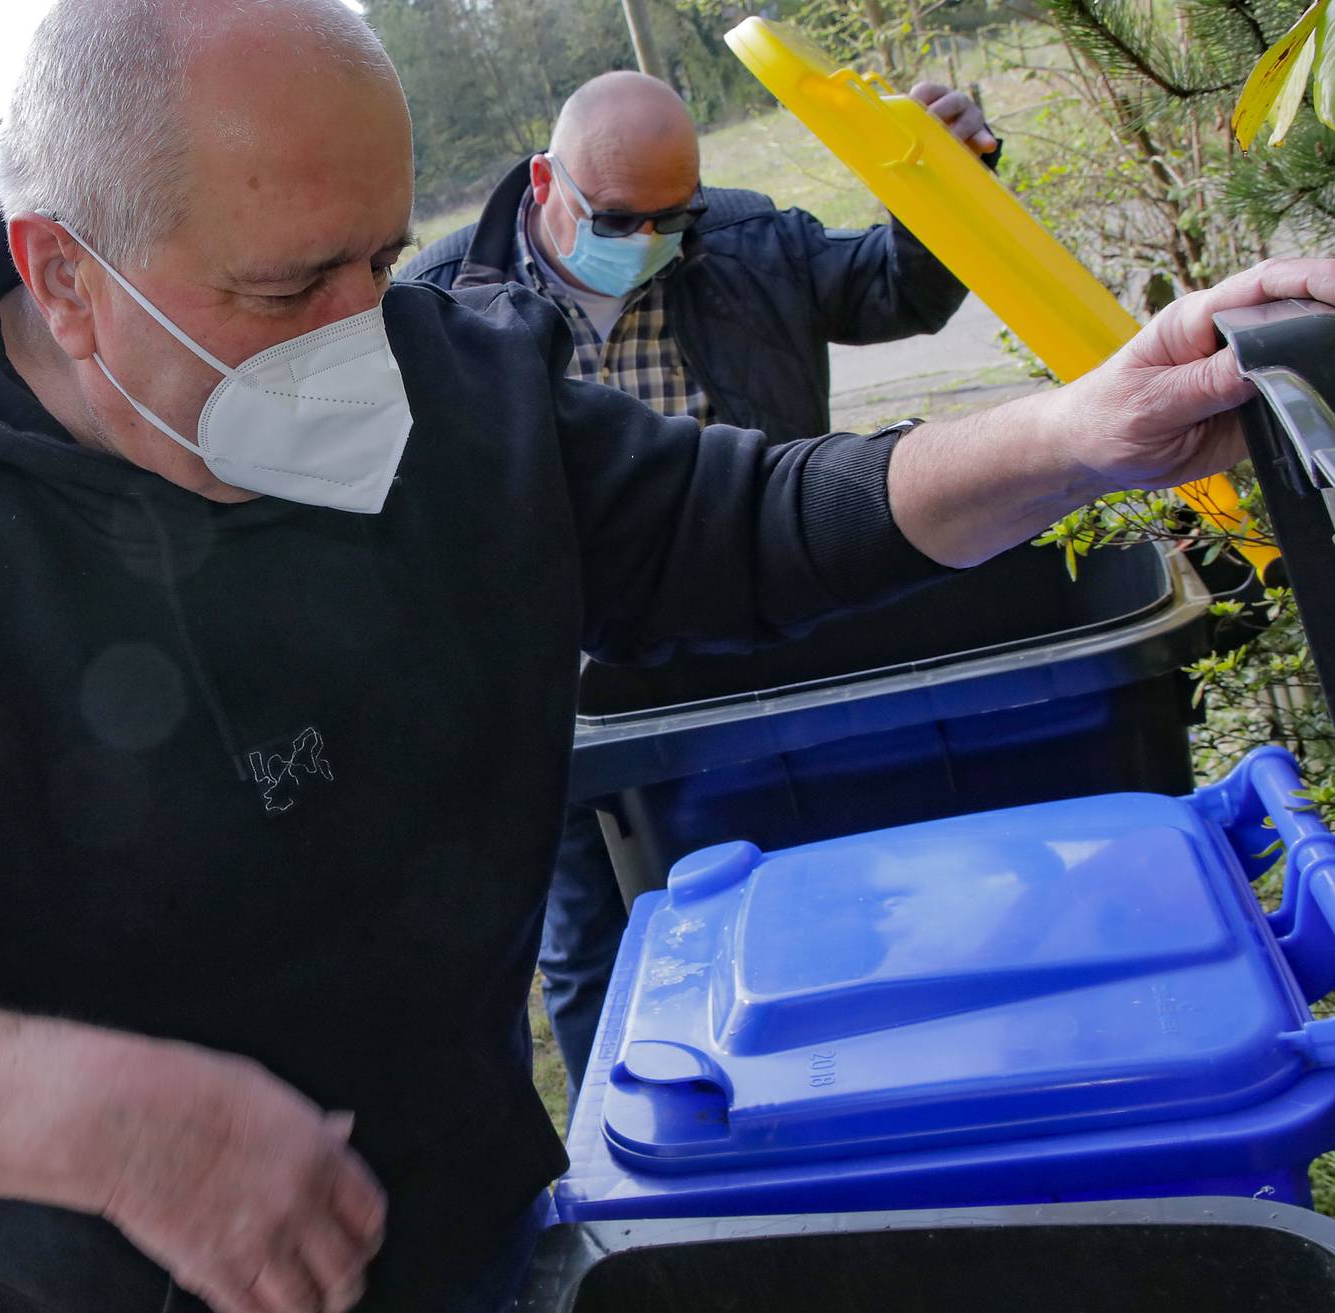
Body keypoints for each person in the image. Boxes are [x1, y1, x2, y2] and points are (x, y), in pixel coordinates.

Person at [0, 1, 1330, 1311]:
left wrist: (1082, 429)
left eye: (380, 262)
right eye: (284, 288)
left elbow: (757, 521)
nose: (360, 336)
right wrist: (72, 1111)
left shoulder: (455, 388)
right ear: (65, 275)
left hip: (481, 1234)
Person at [400, 70, 1002, 1099]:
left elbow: (892, 286)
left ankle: (826, 1105)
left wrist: (953, 183)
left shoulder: (748, 240)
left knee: (798, 902)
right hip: (567, 690)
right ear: (547, 181)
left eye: (671, 220)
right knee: (599, 945)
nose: (646, 242)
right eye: (618, 220)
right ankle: (632, 1172)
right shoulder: (445, 302)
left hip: (747, 648)